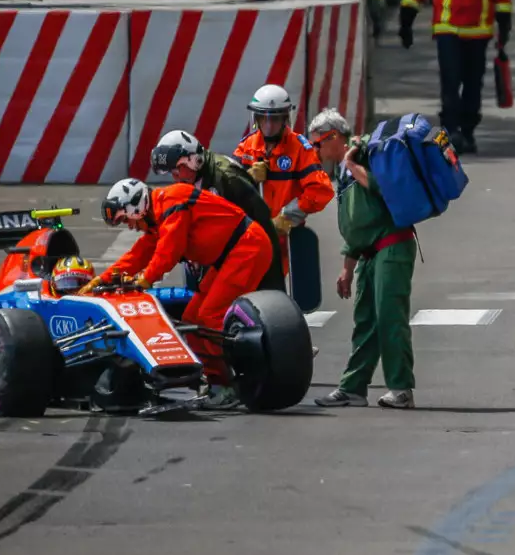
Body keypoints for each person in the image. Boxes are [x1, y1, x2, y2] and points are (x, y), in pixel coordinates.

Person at [83, 177, 274, 408]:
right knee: (192, 319)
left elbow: (168, 252)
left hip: (247, 247)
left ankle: (228, 384)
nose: (130, 226)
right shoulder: (157, 220)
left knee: (208, 316)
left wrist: (144, 280)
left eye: (126, 220)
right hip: (231, 255)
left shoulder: (173, 200)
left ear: (135, 207)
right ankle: (215, 380)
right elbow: (137, 256)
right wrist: (97, 282)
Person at [307, 108, 417, 409]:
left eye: (317, 143)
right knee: (366, 322)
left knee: (389, 318)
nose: (315, 150)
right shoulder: (342, 169)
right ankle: (353, 388)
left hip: (392, 247)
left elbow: (383, 189)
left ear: (334, 137)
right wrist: (347, 268)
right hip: (369, 251)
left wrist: (352, 162)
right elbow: (357, 223)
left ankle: (401, 389)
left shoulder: (363, 152)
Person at [150, 129, 285, 293]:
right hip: (217, 259)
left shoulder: (227, 179)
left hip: (244, 258)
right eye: (172, 173)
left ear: (194, 161)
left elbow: (262, 224)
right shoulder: (193, 180)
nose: (176, 178)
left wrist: (271, 284)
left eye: (178, 170)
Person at [398, 0, 512, 155]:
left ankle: (467, 132)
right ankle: (451, 131)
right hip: (448, 29)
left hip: (478, 32)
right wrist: (406, 21)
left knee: (472, 84)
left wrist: (504, 27)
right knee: (451, 81)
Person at [232, 84, 335, 275]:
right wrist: (248, 178)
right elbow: (228, 187)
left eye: (276, 119)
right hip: (251, 235)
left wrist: (287, 217)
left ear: (285, 119)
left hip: (285, 235)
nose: (269, 126)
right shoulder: (246, 147)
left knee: (280, 290)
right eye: (265, 119)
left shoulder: (300, 149)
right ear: (257, 119)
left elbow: (321, 191)